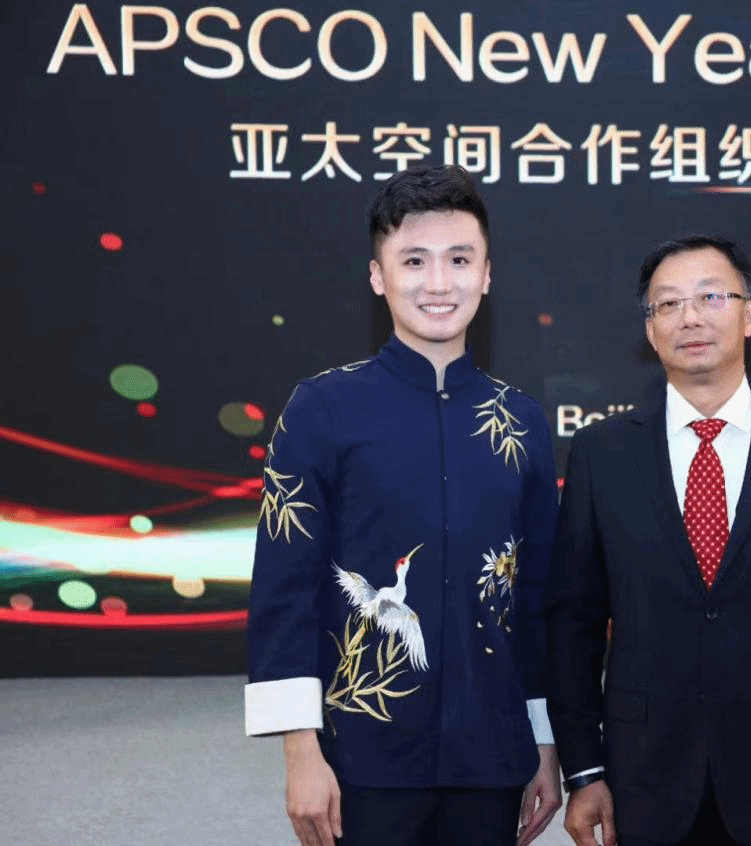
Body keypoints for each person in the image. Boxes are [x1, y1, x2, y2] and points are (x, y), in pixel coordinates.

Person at [244, 164, 561, 846]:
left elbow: (536, 600)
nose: (438, 283)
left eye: (459, 260)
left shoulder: (522, 421)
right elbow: (284, 588)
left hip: (491, 753)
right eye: (414, 261)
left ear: (487, 274)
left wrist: (543, 739)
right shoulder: (323, 407)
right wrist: (300, 749)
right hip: (360, 753)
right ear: (377, 276)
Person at [545, 235, 751, 846]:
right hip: (642, 775)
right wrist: (584, 769)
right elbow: (575, 622)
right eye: (668, 304)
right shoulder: (603, 453)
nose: (691, 318)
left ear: (749, 315)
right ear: (650, 331)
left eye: (711, 297)